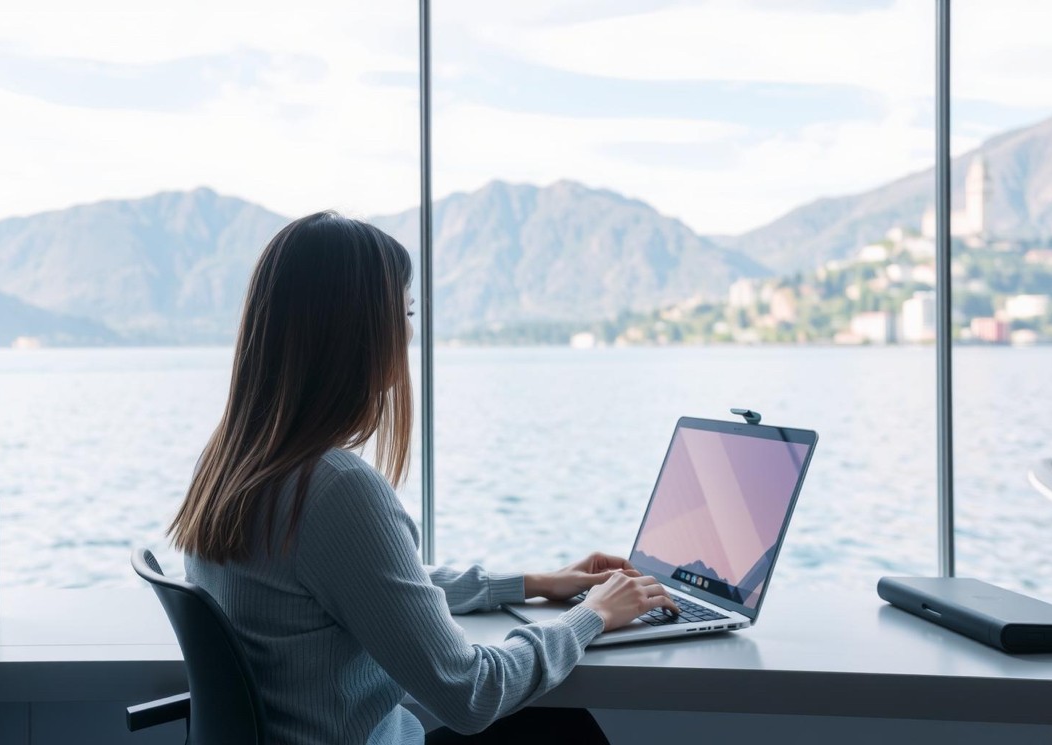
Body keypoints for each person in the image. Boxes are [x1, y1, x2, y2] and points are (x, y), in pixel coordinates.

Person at [169, 212, 679, 744]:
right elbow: (471, 694)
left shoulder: (234, 464)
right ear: (358, 333)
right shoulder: (335, 489)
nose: (410, 332)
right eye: (405, 312)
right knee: (561, 730)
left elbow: (374, 590)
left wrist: (533, 583)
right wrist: (592, 616)